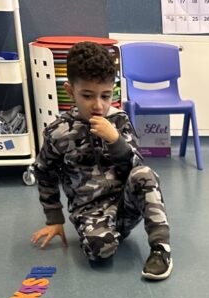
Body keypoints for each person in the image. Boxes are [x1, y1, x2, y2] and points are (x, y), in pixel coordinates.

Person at [31, 42, 173, 279]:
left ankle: (161, 249)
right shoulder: (58, 132)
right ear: (70, 91)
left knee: (145, 174)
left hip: (125, 205)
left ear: (113, 92)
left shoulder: (119, 121)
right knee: (100, 252)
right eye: (87, 96)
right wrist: (54, 219)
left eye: (105, 96)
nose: (98, 105)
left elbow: (137, 167)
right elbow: (44, 172)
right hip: (89, 212)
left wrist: (116, 140)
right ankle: (104, 235)